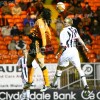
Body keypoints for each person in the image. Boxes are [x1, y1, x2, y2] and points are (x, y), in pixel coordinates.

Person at [51, 17, 89, 95]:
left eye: (65, 22)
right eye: (64, 22)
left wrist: (57, 53)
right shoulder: (74, 29)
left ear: (69, 23)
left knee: (59, 68)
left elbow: (62, 45)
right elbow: (79, 39)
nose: (64, 23)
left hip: (67, 51)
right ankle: (85, 84)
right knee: (79, 68)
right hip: (74, 50)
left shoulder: (63, 31)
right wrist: (85, 46)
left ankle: (54, 84)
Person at [23, 8, 51, 92]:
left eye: (40, 12)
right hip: (33, 44)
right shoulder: (45, 22)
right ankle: (29, 82)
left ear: (42, 13)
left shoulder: (40, 21)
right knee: (28, 62)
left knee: (41, 63)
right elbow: (49, 34)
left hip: (37, 44)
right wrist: (32, 34)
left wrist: (43, 45)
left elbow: (43, 33)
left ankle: (47, 84)